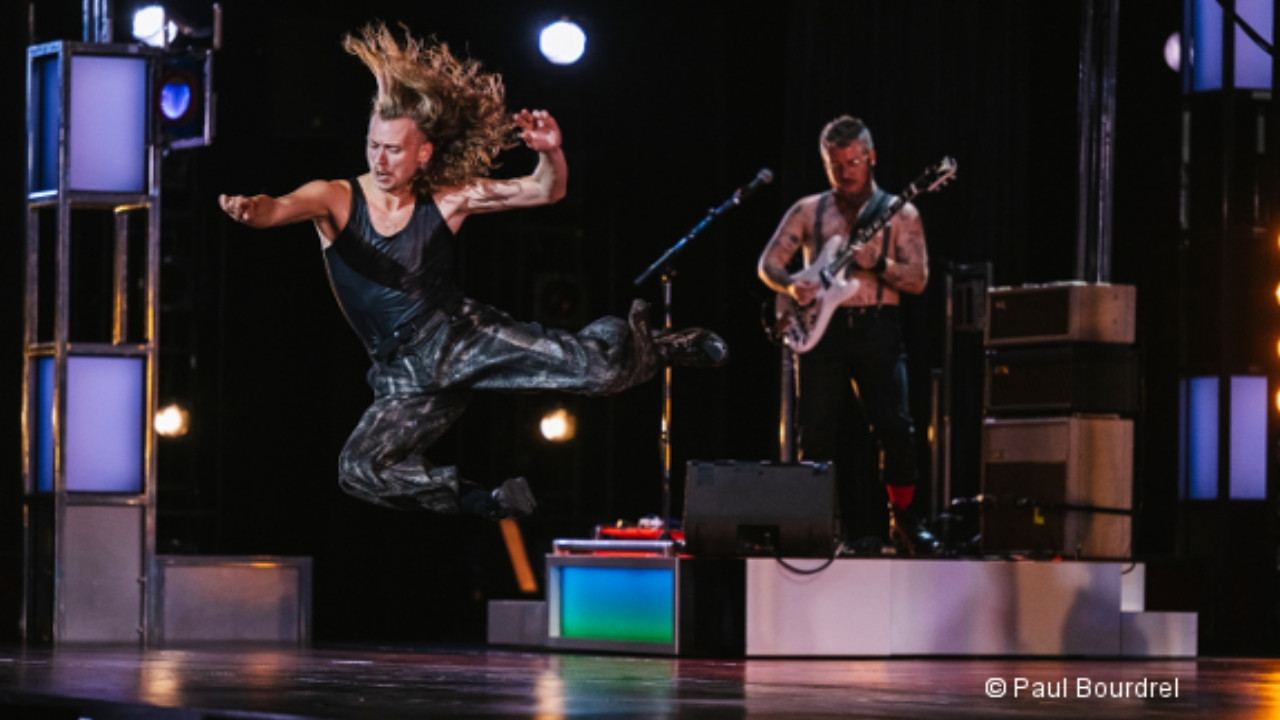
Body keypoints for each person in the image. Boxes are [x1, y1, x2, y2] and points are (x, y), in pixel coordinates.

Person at [219, 23, 727, 522]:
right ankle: (490, 502)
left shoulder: (448, 199)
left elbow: (544, 191)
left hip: (457, 338)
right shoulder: (335, 197)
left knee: (601, 373)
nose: (379, 159)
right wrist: (252, 208)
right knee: (358, 469)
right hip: (402, 374)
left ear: (423, 153)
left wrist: (549, 152)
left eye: (393, 149)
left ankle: (663, 347)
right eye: (373, 145)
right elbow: (278, 207)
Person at [757, 115, 937, 555]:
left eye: (853, 161)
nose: (845, 171)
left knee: (894, 428)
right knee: (815, 434)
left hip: (877, 325)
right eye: (835, 164)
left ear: (871, 157)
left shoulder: (902, 212)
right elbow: (769, 264)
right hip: (823, 332)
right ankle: (813, 525)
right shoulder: (808, 211)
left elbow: (918, 280)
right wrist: (790, 285)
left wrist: (878, 265)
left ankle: (904, 520)